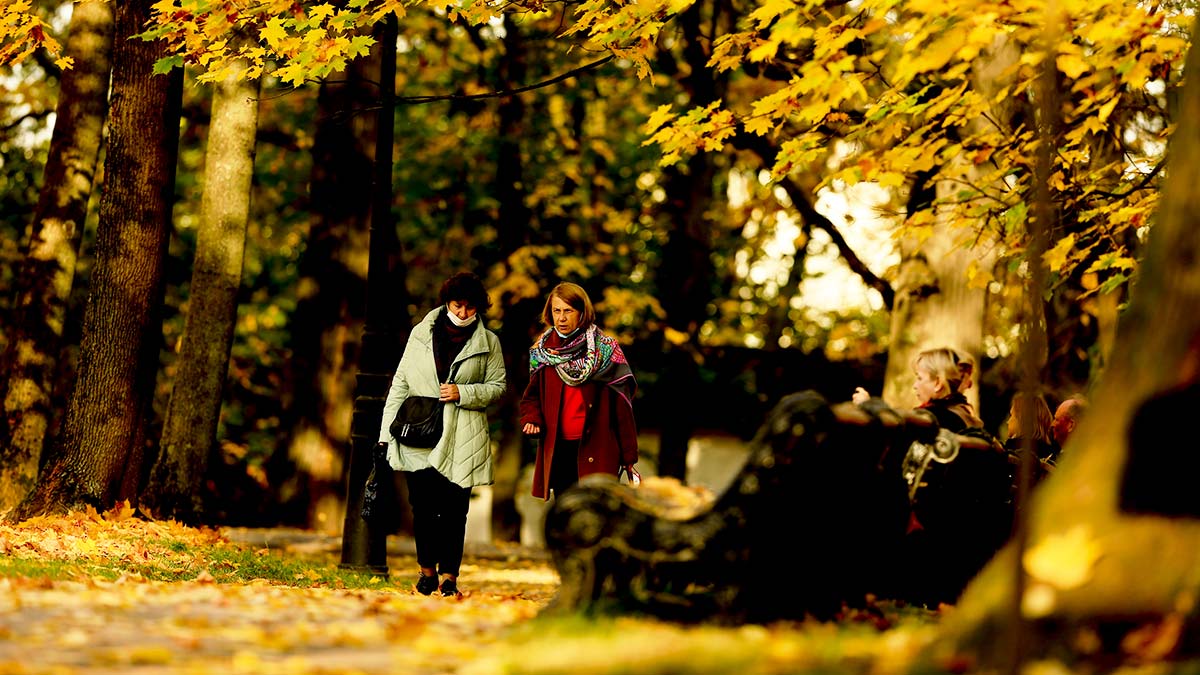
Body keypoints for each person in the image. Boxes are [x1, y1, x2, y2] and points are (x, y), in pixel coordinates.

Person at [377, 272, 506, 598]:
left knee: (454, 510)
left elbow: (498, 387)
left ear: (479, 308)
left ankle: (450, 575)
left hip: (463, 435)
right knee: (422, 506)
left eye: (470, 308)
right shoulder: (420, 335)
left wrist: (463, 392)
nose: (462, 313)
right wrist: (384, 435)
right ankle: (426, 571)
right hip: (419, 430)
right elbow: (400, 385)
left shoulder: (489, 343)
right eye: (457, 305)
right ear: (447, 303)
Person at [519, 282, 639, 500]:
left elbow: (623, 405)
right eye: (557, 311)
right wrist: (532, 418)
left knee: (597, 516)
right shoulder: (543, 351)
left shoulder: (606, 349)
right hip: (559, 450)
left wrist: (629, 456)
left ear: (582, 313)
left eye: (568, 311)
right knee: (566, 515)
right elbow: (531, 397)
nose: (561, 318)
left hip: (600, 447)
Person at [1004, 392, 1060, 464]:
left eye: (1012, 415)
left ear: (1022, 420)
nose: (1008, 421)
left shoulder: (1013, 449)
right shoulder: (1051, 456)